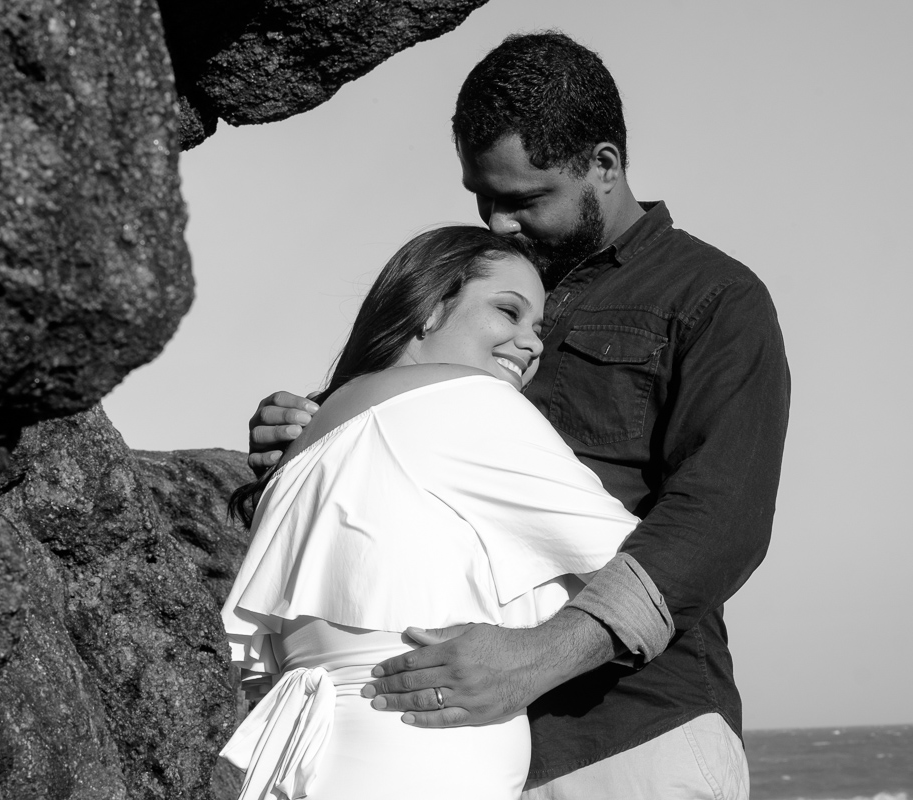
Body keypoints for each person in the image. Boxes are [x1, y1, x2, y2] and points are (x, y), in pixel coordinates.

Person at [247, 31, 790, 798]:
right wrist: (309, 436)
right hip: (452, 750)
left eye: (525, 199)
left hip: (626, 738)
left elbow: (721, 522)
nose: (500, 222)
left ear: (603, 165)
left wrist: (537, 656)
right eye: (483, 197)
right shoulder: (480, 290)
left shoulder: (713, 298)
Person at [220, 226, 640, 799]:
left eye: (538, 328)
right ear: (430, 307)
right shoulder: (466, 401)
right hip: (419, 749)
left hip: (316, 753)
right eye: (508, 312)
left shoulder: (313, 434)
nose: (532, 342)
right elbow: (642, 568)